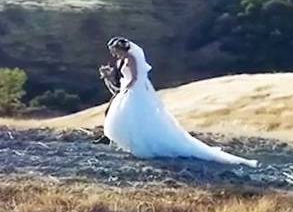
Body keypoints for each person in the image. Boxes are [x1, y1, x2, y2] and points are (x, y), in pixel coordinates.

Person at [102, 37, 257, 166]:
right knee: (129, 117)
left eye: (114, 51)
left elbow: (135, 77)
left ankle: (144, 145)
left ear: (120, 49)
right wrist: (110, 76)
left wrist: (127, 88)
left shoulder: (131, 59)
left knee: (138, 117)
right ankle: (134, 144)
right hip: (129, 90)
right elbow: (123, 77)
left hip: (134, 91)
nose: (113, 54)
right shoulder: (121, 61)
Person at [92, 56, 123, 145]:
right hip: (117, 95)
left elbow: (118, 88)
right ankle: (109, 135)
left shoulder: (116, 76)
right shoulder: (107, 79)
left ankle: (111, 136)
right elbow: (113, 90)